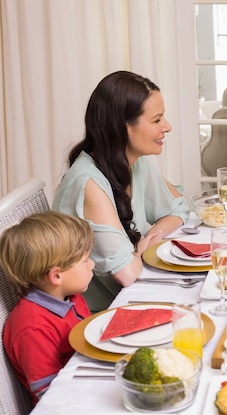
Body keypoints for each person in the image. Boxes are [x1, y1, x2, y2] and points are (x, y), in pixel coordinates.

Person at [53, 71, 189, 312]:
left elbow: (179, 208)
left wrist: (152, 236)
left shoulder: (134, 162)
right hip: (102, 314)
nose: (167, 127)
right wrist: (140, 249)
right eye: (156, 120)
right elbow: (126, 273)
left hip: (135, 295)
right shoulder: (88, 183)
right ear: (123, 127)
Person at [0, 211, 95, 404]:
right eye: (85, 260)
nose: (92, 265)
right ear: (56, 276)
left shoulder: (70, 296)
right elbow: (50, 396)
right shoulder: (32, 328)